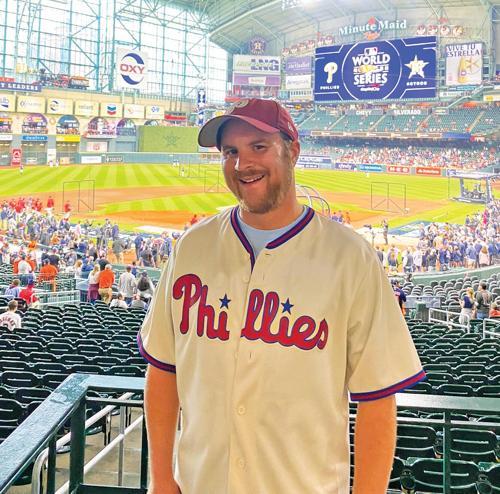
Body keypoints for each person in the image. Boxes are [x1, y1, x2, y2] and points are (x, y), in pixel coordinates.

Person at [138, 98, 424, 494]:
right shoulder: (191, 248)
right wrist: (161, 479)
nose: (242, 164)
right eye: (230, 152)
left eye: (258, 146)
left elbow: (377, 399)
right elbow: (162, 369)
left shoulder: (351, 258)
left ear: (293, 151)